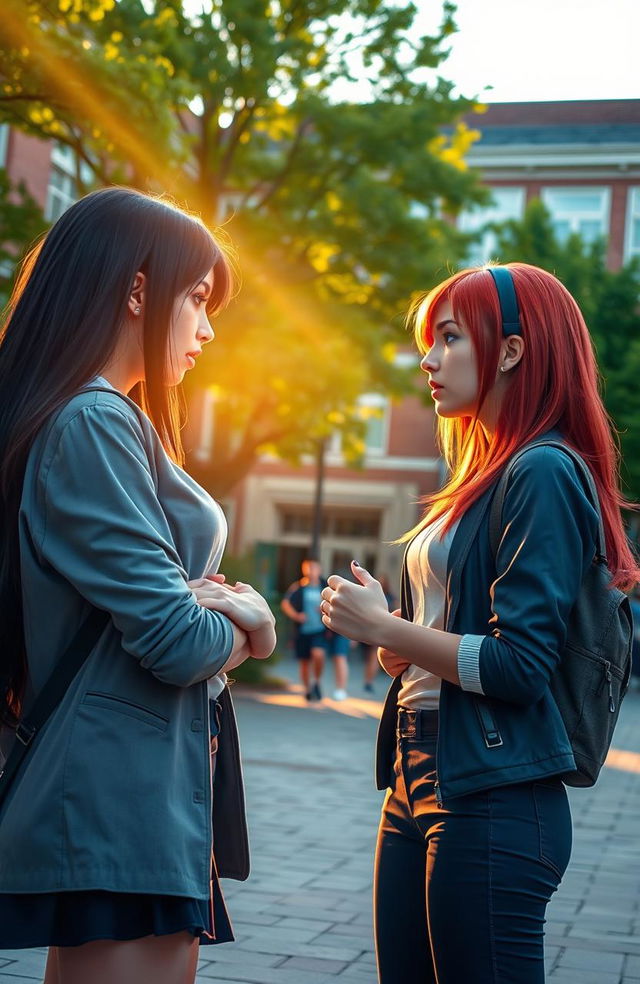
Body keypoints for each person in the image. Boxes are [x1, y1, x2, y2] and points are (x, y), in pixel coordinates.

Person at [319, 263, 639, 984]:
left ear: (513, 351)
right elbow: (443, 649)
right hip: (417, 774)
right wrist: (395, 640)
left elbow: (520, 667)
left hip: (494, 792)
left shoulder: (543, 471)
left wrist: (386, 631)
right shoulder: (483, 476)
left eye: (451, 338)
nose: (428, 359)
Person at [0, 187, 276, 984]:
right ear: (135, 292)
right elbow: (178, 638)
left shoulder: (107, 416)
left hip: (146, 788)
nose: (209, 326)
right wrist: (255, 623)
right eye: (196, 298)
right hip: (116, 791)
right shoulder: (93, 420)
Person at [363, 575, 396, 693]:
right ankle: (368, 681)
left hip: (377, 628)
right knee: (374, 657)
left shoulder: (377, 595)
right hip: (381, 628)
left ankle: (368, 681)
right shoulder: (390, 597)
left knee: (373, 657)